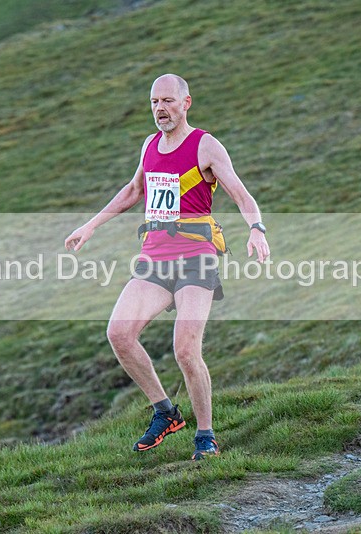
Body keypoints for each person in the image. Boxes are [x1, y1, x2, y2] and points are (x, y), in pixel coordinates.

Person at [65, 74, 269, 460]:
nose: (161, 109)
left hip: (196, 258)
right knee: (119, 334)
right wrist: (90, 225)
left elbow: (242, 195)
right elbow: (132, 191)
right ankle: (166, 413)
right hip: (155, 258)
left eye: (168, 101)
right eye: (154, 102)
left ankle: (205, 437)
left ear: (186, 102)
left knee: (186, 350)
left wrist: (256, 229)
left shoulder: (205, 145)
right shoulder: (149, 145)